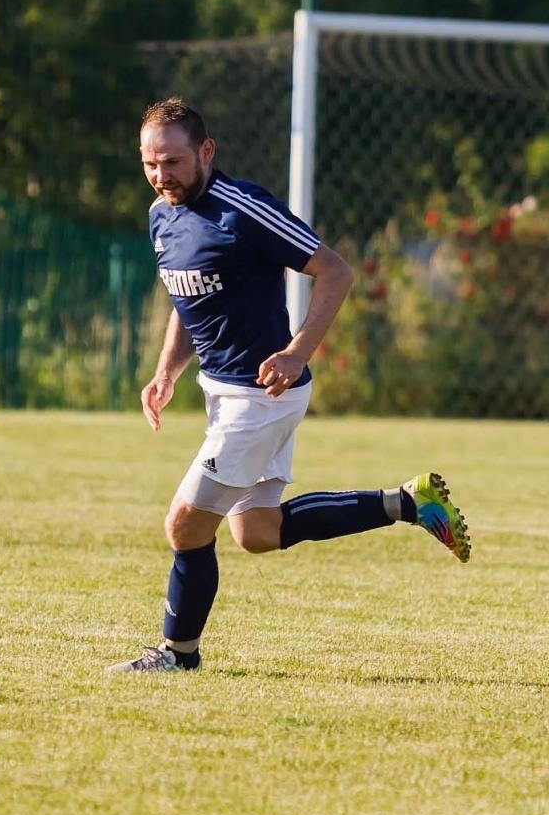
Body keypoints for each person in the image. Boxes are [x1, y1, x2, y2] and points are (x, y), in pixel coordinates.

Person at [108, 98, 471, 673]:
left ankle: (178, 656)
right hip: (222, 392)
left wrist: (298, 351)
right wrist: (166, 370)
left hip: (261, 396)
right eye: (150, 164)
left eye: (173, 162)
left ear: (206, 152)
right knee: (257, 532)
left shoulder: (243, 208)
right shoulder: (162, 214)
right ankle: (408, 502)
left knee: (183, 523)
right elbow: (187, 297)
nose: (161, 176)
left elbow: (337, 271)